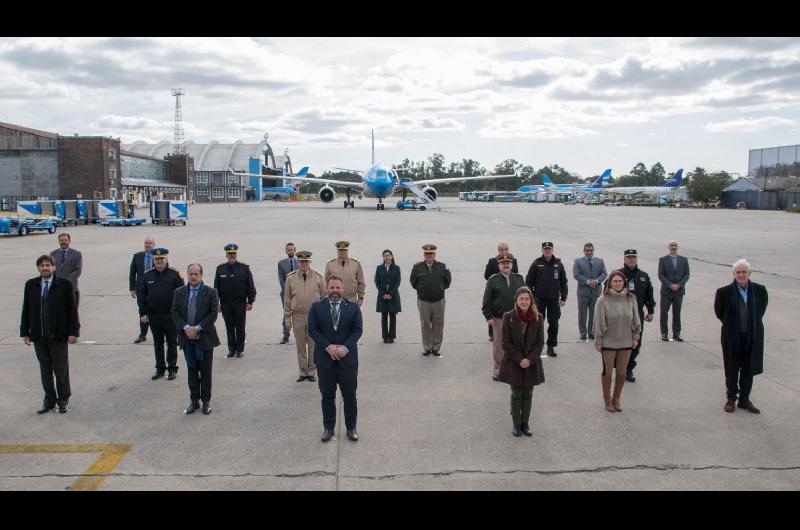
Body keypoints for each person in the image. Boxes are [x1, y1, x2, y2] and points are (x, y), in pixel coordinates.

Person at [20, 255, 80, 414]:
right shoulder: (31, 285)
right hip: (39, 336)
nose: (45, 268)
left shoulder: (65, 285)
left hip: (58, 336)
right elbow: (26, 309)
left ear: (54, 267)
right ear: (38, 268)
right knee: (45, 370)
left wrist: (74, 332)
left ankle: (63, 400)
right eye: (42, 265)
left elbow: (72, 311)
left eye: (48, 265)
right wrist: (24, 332)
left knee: (61, 370)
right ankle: (49, 401)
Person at [308, 276, 363, 442]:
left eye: (337, 288)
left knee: (350, 396)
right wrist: (328, 347)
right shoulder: (317, 307)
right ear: (327, 288)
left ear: (342, 288)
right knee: (327, 396)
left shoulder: (353, 308)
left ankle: (351, 428)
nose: (334, 291)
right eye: (332, 288)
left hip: (348, 362)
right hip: (325, 362)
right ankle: (328, 428)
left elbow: (357, 330)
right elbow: (313, 329)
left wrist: (345, 348)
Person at [714, 259, 768, 414]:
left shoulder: (759, 290)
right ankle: (731, 399)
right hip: (732, 337)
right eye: (738, 272)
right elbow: (720, 312)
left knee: (748, 369)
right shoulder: (723, 292)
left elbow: (761, 311)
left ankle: (744, 400)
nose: (741, 275)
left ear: (749, 273)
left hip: (752, 337)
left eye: (744, 272)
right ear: (733, 274)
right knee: (731, 369)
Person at [172, 264, 220, 415]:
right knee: (192, 371)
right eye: (191, 273)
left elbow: (213, 314)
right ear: (187, 275)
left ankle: (206, 401)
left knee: (206, 372)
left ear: (201, 275)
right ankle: (194, 401)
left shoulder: (211, 292)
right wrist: (186, 328)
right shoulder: (179, 292)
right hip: (187, 338)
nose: (193, 276)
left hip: (205, 338)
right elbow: (174, 312)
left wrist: (197, 328)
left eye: (196, 274)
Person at [498, 286, 544, 437]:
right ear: (516, 300)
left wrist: (530, 359)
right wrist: (520, 360)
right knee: (517, 393)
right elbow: (505, 343)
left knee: (528, 393)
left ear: (531, 300)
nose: (524, 301)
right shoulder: (508, 317)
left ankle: (526, 423)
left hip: (532, 363)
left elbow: (540, 342)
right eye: (521, 299)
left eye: (527, 299)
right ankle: (516, 423)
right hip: (514, 362)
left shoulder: (538, 317)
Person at [593, 270, 641, 412]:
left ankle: (616, 398)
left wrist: (636, 336)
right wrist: (598, 340)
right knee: (607, 372)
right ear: (610, 283)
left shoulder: (631, 298)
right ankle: (607, 399)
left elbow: (636, 319)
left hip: (626, 342)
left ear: (624, 283)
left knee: (621, 372)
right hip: (608, 342)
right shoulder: (602, 300)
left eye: (620, 281)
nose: (618, 283)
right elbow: (598, 322)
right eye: (615, 281)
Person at [138, 248, 184, 380]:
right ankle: (160, 368)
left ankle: (172, 369)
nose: (159, 262)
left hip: (170, 316)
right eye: (157, 259)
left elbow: (181, 295)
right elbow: (142, 296)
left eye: (161, 259)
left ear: (166, 259)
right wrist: (143, 313)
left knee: (171, 343)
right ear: (154, 260)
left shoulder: (174, 275)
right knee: (157, 343)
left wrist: (180, 314)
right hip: (154, 316)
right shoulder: (148, 276)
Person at [284, 251, 326, 382]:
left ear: (310, 262)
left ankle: (312, 371)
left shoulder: (318, 277)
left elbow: (324, 298)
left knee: (313, 345)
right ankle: (302, 371)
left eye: (306, 261)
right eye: (301, 262)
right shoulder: (290, 278)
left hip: (314, 317)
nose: (304, 264)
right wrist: (287, 318)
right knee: (300, 346)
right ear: (298, 262)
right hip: (298, 316)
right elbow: (287, 299)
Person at [482, 253, 525, 380]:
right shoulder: (492, 280)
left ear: (512, 265)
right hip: (499, 318)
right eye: (503, 263)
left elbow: (525, 298)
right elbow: (486, 301)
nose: (506, 265)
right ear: (499, 265)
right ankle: (498, 370)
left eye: (508, 263)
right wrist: (488, 316)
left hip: (517, 318)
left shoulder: (519, 279)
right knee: (499, 345)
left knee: (517, 343)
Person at [616, 249, 655, 383]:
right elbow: (607, 293)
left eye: (633, 257)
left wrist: (651, 311)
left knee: (635, 343)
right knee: (620, 342)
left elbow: (649, 295)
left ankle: (629, 368)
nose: (631, 259)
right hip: (620, 316)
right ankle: (620, 366)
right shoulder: (617, 275)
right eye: (629, 257)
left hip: (637, 316)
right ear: (624, 259)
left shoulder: (643, 276)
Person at [214, 243, 257, 358]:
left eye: (234, 253)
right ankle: (231, 349)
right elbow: (215, 289)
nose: (232, 255)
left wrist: (250, 301)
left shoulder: (244, 268)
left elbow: (250, 286)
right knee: (229, 327)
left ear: (236, 254)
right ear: (226, 255)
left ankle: (240, 349)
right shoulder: (220, 269)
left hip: (240, 303)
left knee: (240, 326)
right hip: (225, 304)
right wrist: (216, 304)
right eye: (230, 254)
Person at [525, 242, 568, 357]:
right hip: (539, 299)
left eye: (549, 249)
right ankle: (535, 347)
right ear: (542, 250)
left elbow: (564, 282)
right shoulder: (536, 263)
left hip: (554, 300)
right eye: (545, 249)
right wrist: (531, 296)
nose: (547, 251)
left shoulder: (559, 264)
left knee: (553, 323)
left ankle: (551, 346)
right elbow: (529, 281)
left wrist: (563, 297)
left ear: (552, 250)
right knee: (537, 323)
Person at [410, 244, 451, 357]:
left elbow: (447, 281)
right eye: (427, 254)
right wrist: (423, 290)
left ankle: (436, 348)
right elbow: (413, 282)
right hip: (424, 302)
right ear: (424, 255)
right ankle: (427, 347)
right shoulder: (417, 267)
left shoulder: (442, 266)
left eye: (431, 254)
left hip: (439, 301)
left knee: (438, 324)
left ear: (434, 254)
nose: (429, 256)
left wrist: (439, 289)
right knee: (425, 325)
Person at [483, 242, 519, 341]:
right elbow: (487, 275)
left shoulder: (513, 260)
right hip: (496, 289)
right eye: (501, 249)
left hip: (509, 289)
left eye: (505, 249)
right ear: (498, 250)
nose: (503, 251)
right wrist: (496, 281)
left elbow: (516, 274)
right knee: (495, 310)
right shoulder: (492, 261)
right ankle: (492, 334)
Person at [573, 242, 607, 341]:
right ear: (584, 251)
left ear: (593, 251)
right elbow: (576, 275)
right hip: (583, 292)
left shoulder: (600, 261)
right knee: (582, 313)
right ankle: (583, 332)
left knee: (594, 313)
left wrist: (596, 281)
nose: (589, 252)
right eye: (587, 251)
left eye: (591, 250)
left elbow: (604, 273)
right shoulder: (578, 261)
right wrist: (587, 281)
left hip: (596, 292)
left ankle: (592, 332)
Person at [658, 240, 690, 342]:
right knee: (664, 313)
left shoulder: (684, 260)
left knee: (677, 313)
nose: (673, 247)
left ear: (678, 247)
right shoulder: (663, 260)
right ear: (668, 247)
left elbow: (687, 274)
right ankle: (664, 333)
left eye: (675, 245)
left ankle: (677, 334)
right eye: (671, 245)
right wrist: (670, 285)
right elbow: (661, 275)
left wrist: (679, 285)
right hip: (666, 291)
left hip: (679, 291)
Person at [129, 237, 156, 343]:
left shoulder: (158, 256)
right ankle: (142, 334)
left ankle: (158, 333)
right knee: (143, 311)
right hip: (141, 289)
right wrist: (132, 288)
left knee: (156, 312)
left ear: (154, 244)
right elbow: (132, 273)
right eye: (146, 243)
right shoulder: (137, 256)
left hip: (154, 289)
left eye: (150, 243)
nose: (147, 245)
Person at [324, 241, 366, 306]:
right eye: (340, 250)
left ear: (347, 251)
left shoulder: (356, 264)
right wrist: (326, 298)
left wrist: (361, 298)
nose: (342, 252)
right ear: (337, 251)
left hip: (351, 299)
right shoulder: (330, 265)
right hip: (334, 299)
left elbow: (361, 282)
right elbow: (325, 283)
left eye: (344, 250)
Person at [374, 250, 401, 344]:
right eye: (385, 256)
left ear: (392, 256)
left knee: (393, 316)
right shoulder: (379, 268)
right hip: (382, 296)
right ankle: (385, 336)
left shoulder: (396, 268)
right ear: (383, 257)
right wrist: (383, 294)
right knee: (384, 316)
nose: (387, 257)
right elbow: (376, 281)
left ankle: (392, 337)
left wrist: (390, 294)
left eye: (388, 255)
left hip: (393, 296)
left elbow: (398, 282)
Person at [50, 233, 82, 307]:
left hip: (72, 288)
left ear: (69, 241)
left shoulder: (77, 254)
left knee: (72, 313)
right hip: (57, 288)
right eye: (61, 240)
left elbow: (78, 270)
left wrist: (65, 282)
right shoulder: (53, 254)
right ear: (59, 241)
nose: (63, 242)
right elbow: (51, 270)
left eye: (65, 240)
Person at [278, 242, 298, 344]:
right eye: (288, 250)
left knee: (298, 313)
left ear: (295, 250)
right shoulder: (281, 264)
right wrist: (287, 291)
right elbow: (281, 279)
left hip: (297, 293)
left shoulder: (299, 262)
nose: (290, 251)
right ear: (286, 251)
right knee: (286, 313)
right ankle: (285, 335)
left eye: (292, 249)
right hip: (285, 293)